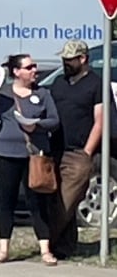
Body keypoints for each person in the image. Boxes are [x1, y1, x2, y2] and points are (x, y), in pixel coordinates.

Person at [0, 54, 60, 266]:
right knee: (5, 201)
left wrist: (37, 126)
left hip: (34, 155)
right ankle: (3, 249)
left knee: (37, 201)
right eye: (29, 67)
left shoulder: (42, 93)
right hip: (5, 154)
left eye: (34, 66)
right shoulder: (2, 94)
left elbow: (54, 120)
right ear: (16, 72)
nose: (34, 70)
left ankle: (45, 250)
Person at [48, 40, 102, 259]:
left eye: (70, 59)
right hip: (54, 151)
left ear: (83, 59)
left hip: (78, 152)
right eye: (64, 59)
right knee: (54, 199)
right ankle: (64, 247)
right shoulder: (59, 83)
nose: (65, 63)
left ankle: (46, 244)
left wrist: (87, 152)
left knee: (66, 201)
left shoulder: (96, 84)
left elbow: (100, 120)